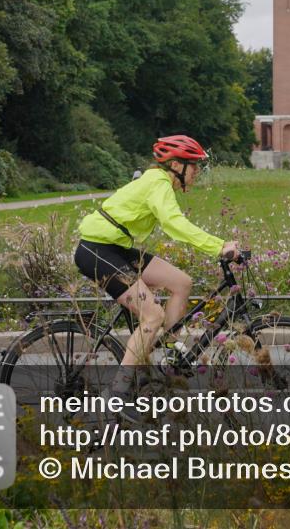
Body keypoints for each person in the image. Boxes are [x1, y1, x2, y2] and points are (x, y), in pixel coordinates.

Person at [73, 135, 238, 414]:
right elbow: (175, 224)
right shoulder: (158, 183)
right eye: (193, 166)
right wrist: (218, 246)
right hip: (97, 251)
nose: (197, 172)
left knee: (182, 283)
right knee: (152, 316)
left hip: (116, 248)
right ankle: (118, 394)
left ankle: (171, 352)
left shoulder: (158, 181)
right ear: (176, 165)